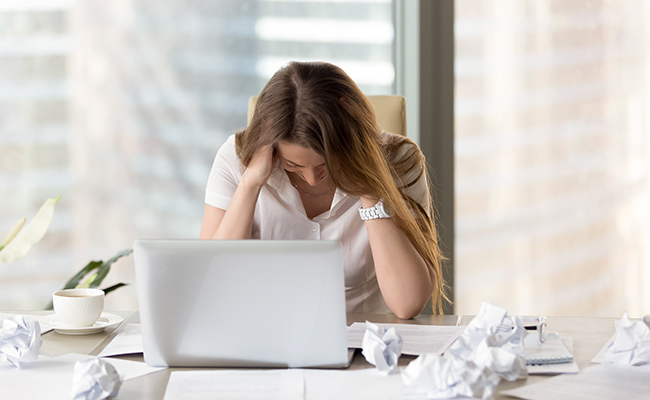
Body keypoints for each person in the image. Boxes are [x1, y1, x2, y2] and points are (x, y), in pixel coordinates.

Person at [199, 61, 447, 319]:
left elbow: (408, 303)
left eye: (325, 164)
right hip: (262, 339)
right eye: (294, 165)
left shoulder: (400, 159)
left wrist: (371, 188)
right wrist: (250, 183)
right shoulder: (235, 159)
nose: (312, 179)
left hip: (365, 346)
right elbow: (210, 284)